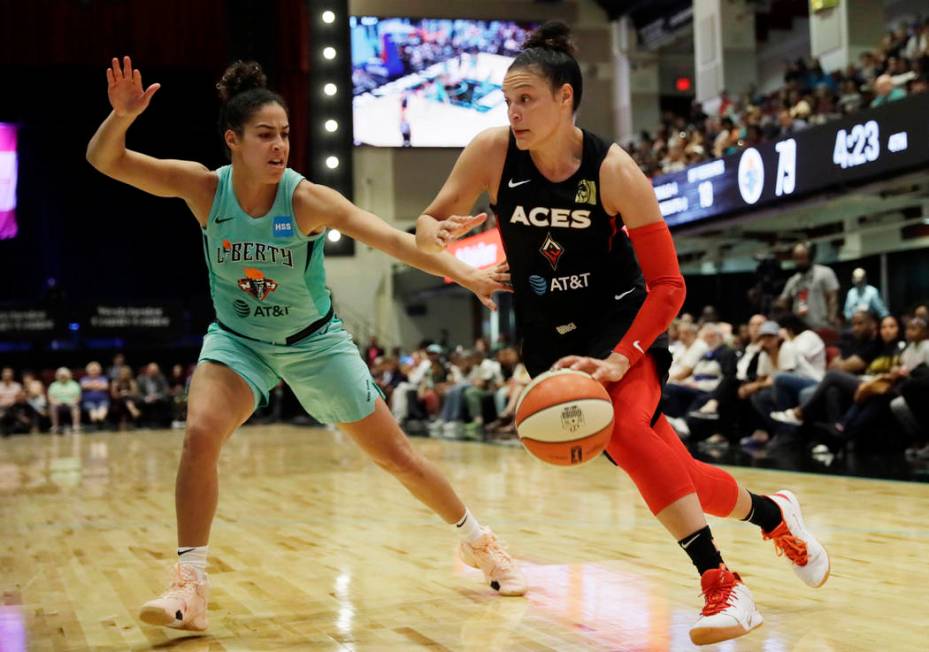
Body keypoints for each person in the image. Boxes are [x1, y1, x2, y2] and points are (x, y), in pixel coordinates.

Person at [415, 22, 828, 645]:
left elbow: (670, 287)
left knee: (631, 434)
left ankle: (723, 585)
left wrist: (619, 357)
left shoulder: (615, 171)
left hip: (620, 327)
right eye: (507, 100)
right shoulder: (491, 152)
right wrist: (445, 254)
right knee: (667, 465)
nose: (513, 111)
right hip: (548, 344)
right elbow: (429, 222)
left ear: (565, 98)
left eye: (526, 97)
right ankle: (772, 513)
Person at [86, 57, 525, 632]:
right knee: (199, 435)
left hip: (315, 343)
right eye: (265, 135)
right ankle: (190, 585)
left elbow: (392, 240)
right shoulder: (202, 188)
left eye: (286, 134)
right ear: (233, 141)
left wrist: (463, 273)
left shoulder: (307, 200)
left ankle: (478, 542)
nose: (279, 146)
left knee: (397, 458)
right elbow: (104, 159)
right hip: (240, 343)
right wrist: (121, 117)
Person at [779, 243, 839, 330]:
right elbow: (783, 301)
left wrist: (831, 318)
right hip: (800, 329)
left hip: (821, 326)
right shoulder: (793, 281)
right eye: (796, 258)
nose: (799, 261)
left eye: (802, 257)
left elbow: (833, 297)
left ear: (810, 257)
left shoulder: (825, 273)